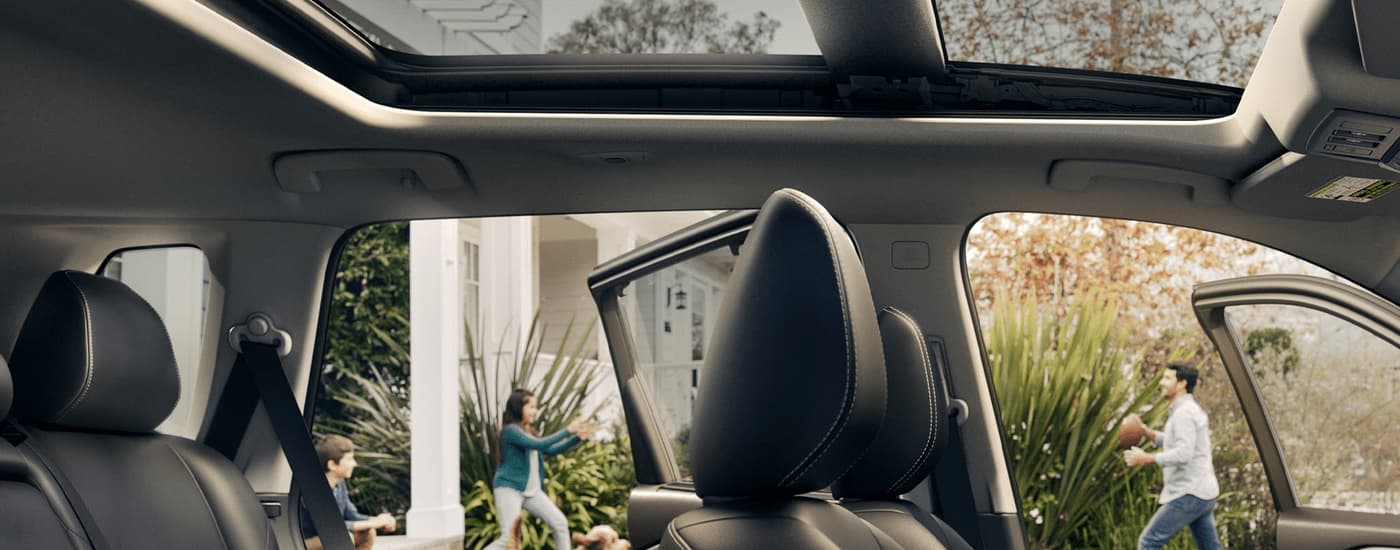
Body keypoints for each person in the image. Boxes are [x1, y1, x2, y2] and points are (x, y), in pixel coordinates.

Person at [1123, 363, 1222, 550]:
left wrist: (1147, 458)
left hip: (1189, 493)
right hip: (1203, 491)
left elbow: (1184, 453)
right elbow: (1176, 441)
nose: (1161, 382)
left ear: (1182, 383)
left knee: (1148, 542)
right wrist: (1148, 433)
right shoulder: (1187, 409)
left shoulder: (1183, 414)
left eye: (1167, 378)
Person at [485, 388, 597, 550]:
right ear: (518, 408)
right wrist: (567, 430)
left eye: (535, 407)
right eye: (530, 407)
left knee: (560, 524)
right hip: (509, 489)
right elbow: (539, 444)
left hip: (531, 491)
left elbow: (550, 450)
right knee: (507, 540)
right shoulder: (511, 431)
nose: (535, 411)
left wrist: (577, 438)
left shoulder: (528, 431)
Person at [302, 434, 398, 550]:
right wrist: (374, 523)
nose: (354, 464)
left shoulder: (340, 483)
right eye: (349, 459)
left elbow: (352, 515)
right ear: (332, 465)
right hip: (303, 542)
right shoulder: (314, 489)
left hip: (327, 537)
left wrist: (381, 520)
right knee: (343, 537)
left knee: (367, 533)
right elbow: (331, 527)